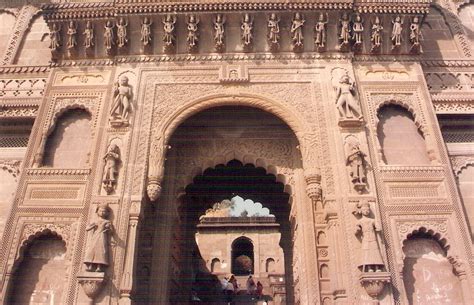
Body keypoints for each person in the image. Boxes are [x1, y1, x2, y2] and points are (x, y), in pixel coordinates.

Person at [84, 203, 113, 272]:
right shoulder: (95, 221)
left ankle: (99, 266)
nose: (102, 213)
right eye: (100, 211)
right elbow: (87, 228)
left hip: (102, 237)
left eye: (104, 211)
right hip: (95, 237)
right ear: (97, 212)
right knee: (92, 250)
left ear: (107, 213)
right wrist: (93, 226)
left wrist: (108, 228)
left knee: (101, 251)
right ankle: (90, 265)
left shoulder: (107, 222)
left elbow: (111, 231)